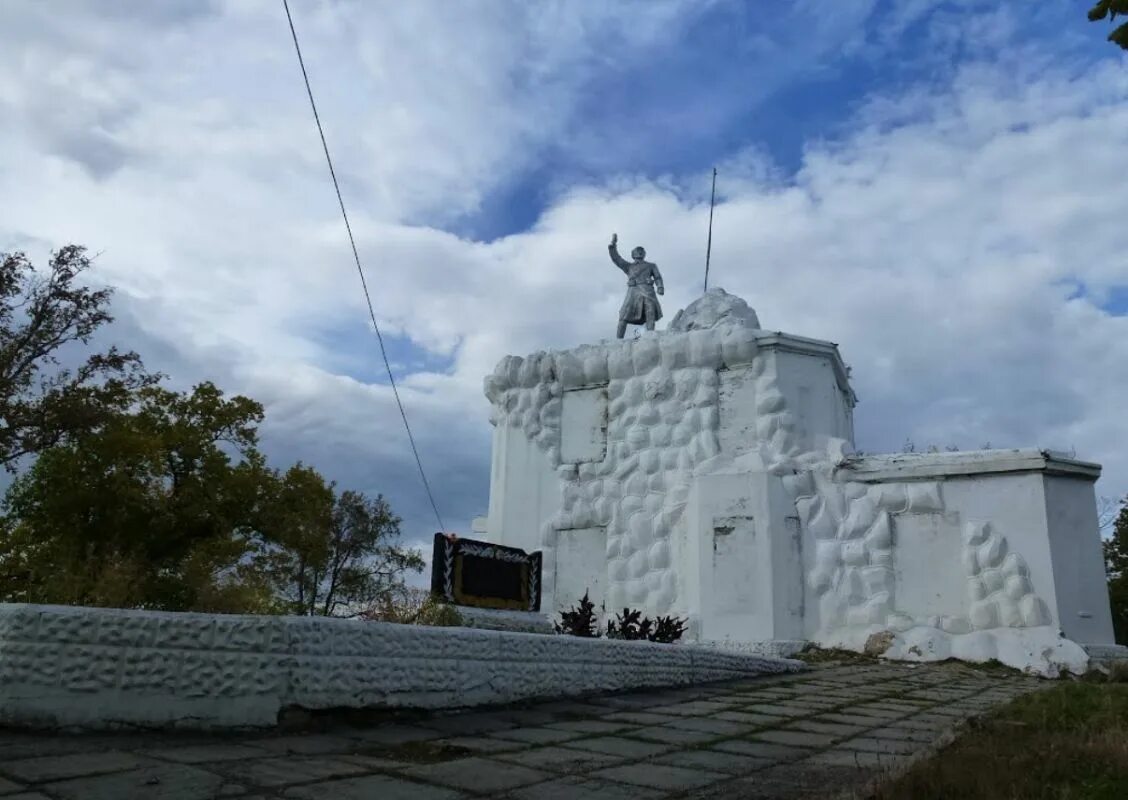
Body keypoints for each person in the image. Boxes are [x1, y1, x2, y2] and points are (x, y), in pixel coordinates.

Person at [608, 232, 664, 338]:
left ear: (644, 254)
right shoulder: (629, 266)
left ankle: (650, 336)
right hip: (633, 291)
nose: (639, 253)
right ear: (633, 254)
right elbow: (616, 259)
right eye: (637, 252)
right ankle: (619, 340)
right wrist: (613, 245)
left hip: (647, 290)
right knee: (624, 314)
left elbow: (657, 277)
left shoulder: (651, 266)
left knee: (650, 312)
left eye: (641, 251)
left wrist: (660, 286)